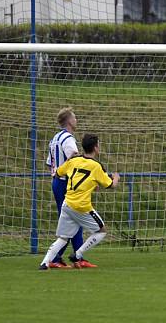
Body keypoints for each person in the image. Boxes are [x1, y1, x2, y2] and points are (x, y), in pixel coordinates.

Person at [39, 134, 119, 270]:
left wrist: (69, 162)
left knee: (63, 237)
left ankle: (45, 263)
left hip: (67, 204)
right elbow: (110, 185)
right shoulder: (96, 166)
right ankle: (78, 255)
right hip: (81, 207)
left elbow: (58, 173)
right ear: (95, 148)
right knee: (101, 231)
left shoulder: (74, 161)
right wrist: (116, 178)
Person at [45, 108, 96, 268]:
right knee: (73, 219)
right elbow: (74, 159)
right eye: (75, 117)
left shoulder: (54, 138)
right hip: (65, 183)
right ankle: (60, 259)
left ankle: (72, 257)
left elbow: (49, 164)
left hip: (57, 181)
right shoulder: (68, 139)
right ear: (69, 121)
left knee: (71, 220)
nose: (77, 120)